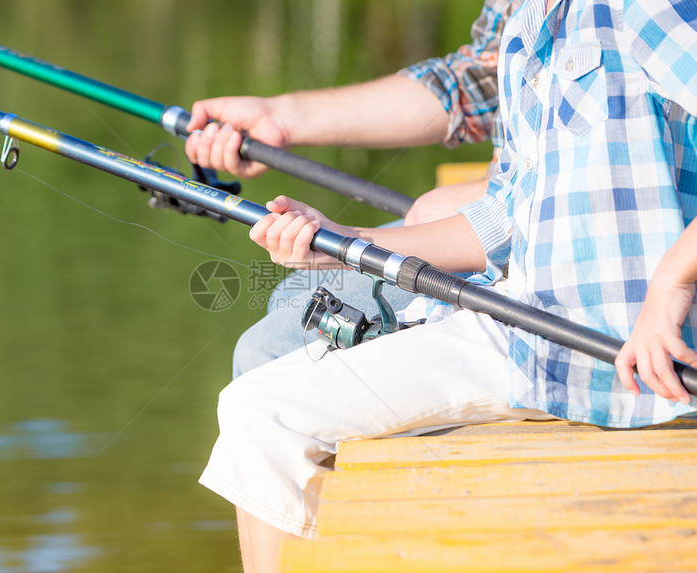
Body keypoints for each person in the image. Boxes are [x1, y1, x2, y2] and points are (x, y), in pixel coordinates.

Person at [199, 1, 697, 571]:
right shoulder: (526, 29)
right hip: (526, 325)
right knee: (254, 404)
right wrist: (343, 241)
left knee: (266, 416)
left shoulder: (644, 8)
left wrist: (669, 284)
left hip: (615, 354)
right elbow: (505, 220)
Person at [186, 0, 517, 377]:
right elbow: (477, 80)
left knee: (268, 352)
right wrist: (280, 119)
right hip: (500, 215)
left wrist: (350, 239)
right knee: (290, 296)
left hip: (531, 246)